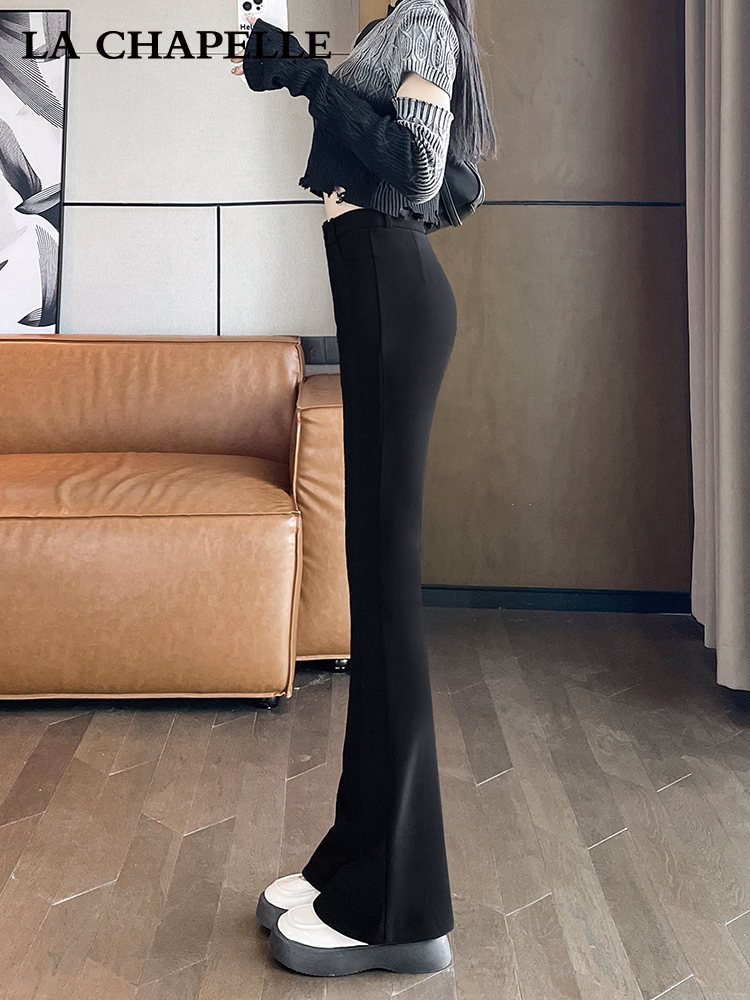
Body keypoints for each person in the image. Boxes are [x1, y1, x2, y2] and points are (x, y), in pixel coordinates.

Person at [231, 0, 496, 977]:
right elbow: (403, 155)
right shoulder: (393, 26)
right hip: (380, 290)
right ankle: (354, 856)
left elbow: (419, 170)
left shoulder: (423, 20)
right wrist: (296, 73)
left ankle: (397, 909)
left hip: (394, 294)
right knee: (371, 586)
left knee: (386, 597)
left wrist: (308, 79)